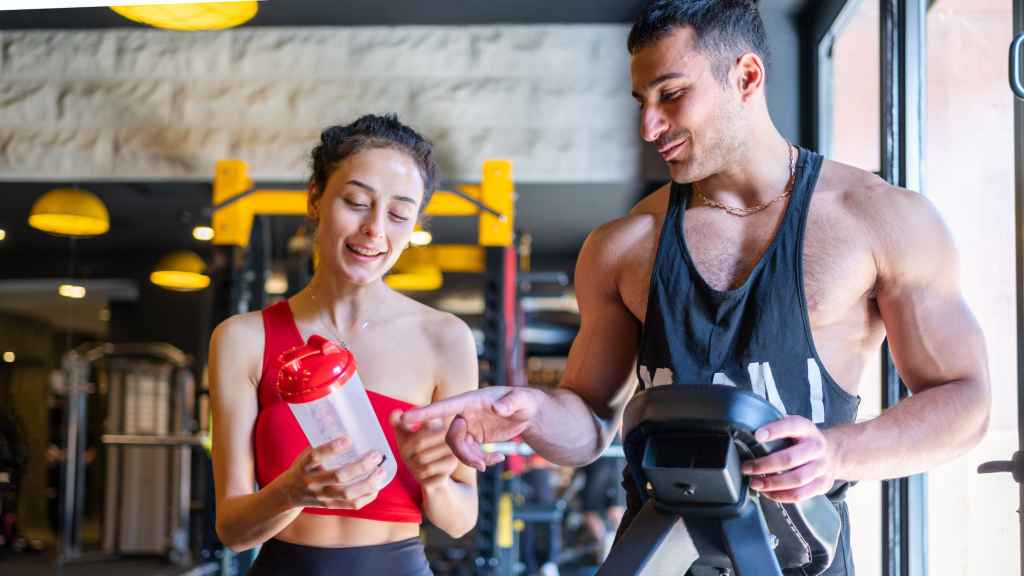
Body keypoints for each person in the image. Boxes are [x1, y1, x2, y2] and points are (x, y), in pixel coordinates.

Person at [399, 1, 991, 574]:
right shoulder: (622, 245)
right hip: (655, 552)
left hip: (798, 557)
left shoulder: (879, 218)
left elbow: (964, 403)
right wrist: (528, 409)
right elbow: (587, 424)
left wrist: (837, 452)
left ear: (747, 76)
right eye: (641, 101)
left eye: (672, 95)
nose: (649, 125)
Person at [209, 114, 479, 576]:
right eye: (356, 202)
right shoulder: (242, 339)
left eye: (398, 214)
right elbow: (233, 532)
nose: (375, 229)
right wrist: (290, 492)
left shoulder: (445, 338)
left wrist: (435, 481)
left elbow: (460, 520)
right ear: (315, 198)